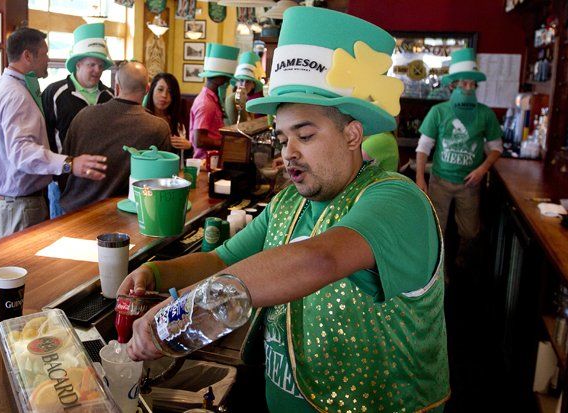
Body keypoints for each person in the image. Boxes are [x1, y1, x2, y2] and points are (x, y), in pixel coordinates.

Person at [120, 8, 449, 413]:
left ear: (352, 134)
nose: (288, 152)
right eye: (282, 137)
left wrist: (175, 316)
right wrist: (156, 272)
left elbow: (317, 259)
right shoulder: (291, 202)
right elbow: (222, 260)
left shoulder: (396, 201)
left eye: (305, 135)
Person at [0, 28, 106, 240]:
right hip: (19, 206)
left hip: (7, 203)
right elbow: (21, 153)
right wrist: (71, 163)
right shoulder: (16, 95)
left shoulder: (0, 87)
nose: (48, 58)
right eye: (44, 53)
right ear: (28, 56)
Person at [415, 47, 503, 267]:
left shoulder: (485, 114)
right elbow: (423, 147)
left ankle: (463, 265)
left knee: (470, 231)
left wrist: (482, 169)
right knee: (436, 230)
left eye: (472, 84)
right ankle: (439, 271)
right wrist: (419, 178)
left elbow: (496, 148)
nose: (468, 88)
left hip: (469, 183)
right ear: (453, 85)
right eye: (464, 83)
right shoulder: (439, 112)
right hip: (440, 180)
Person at [59, 61, 171, 214]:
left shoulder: (84, 115)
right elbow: (161, 183)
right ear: (147, 89)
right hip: (121, 214)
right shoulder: (158, 128)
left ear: (116, 86)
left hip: (73, 211)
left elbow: (66, 164)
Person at [42, 23, 114, 218]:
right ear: (78, 64)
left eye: (101, 65)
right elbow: (46, 137)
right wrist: (56, 176)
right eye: (92, 65)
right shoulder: (54, 93)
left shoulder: (110, 96)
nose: (97, 70)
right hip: (64, 184)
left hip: (100, 184)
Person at [189, 43, 239, 159]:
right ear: (219, 78)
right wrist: (227, 144)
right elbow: (199, 140)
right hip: (206, 161)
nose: (227, 82)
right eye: (226, 78)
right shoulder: (205, 103)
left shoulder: (211, 100)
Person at [145, 72, 192, 153]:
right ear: (152, 90)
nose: (164, 95)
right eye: (160, 89)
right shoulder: (143, 118)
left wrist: (189, 146)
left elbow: (186, 155)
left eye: (170, 91)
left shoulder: (180, 120)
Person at [225, 51, 265, 125]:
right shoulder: (232, 100)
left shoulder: (253, 100)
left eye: (248, 82)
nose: (243, 85)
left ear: (253, 85)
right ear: (236, 83)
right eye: (241, 80)